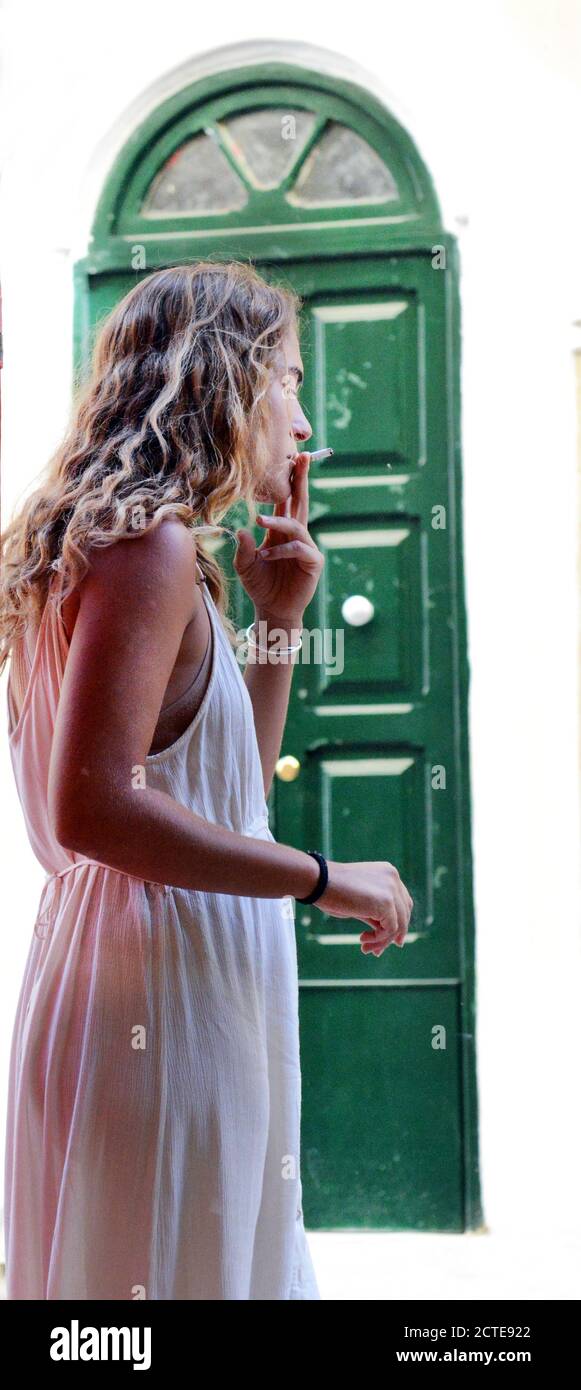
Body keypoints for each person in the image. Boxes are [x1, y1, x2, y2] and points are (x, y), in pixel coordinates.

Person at [0, 260, 413, 1300]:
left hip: (139, 971)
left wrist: (277, 619)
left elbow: (222, 801)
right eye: (288, 378)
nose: (305, 418)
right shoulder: (152, 550)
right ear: (224, 383)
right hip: (160, 988)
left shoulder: (108, 549)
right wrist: (323, 876)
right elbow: (92, 807)